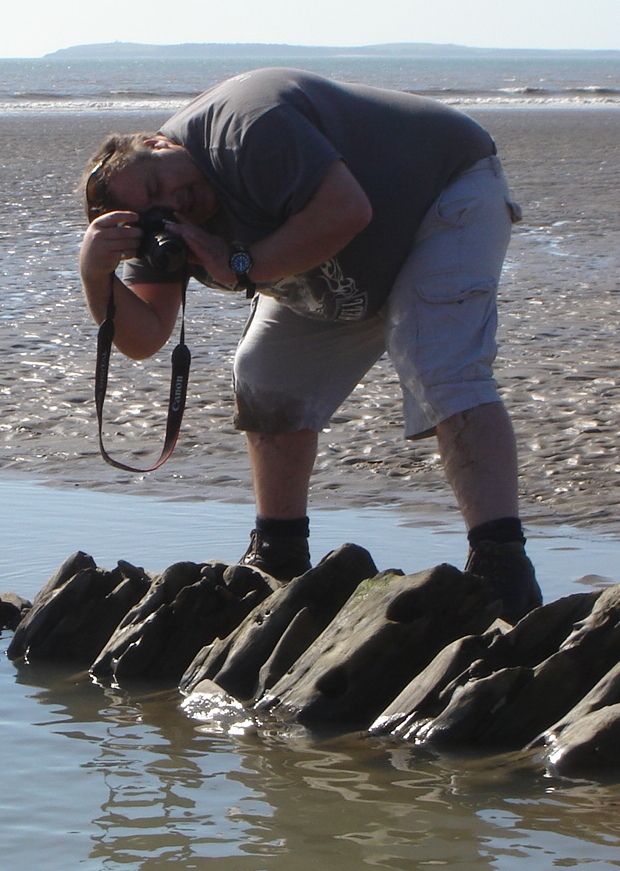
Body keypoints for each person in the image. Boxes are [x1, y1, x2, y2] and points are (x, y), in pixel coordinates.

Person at [79, 67, 542, 624]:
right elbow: (146, 336)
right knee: (265, 374)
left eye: (161, 186)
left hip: (442, 194)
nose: (176, 204)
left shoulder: (244, 128)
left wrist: (239, 262)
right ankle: (278, 556)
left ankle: (501, 564)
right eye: (159, 212)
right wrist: (96, 274)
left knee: (438, 363)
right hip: (343, 265)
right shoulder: (168, 228)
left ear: (159, 143)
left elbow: (348, 210)